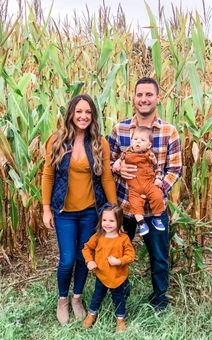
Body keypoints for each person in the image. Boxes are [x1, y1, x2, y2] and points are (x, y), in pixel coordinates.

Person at [41, 94, 117, 325]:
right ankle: (62, 299)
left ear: (93, 116)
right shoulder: (56, 140)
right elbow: (48, 175)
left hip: (90, 212)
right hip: (64, 212)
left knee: (84, 258)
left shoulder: (99, 142)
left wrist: (114, 209)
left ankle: (77, 298)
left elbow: (106, 178)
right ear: (71, 114)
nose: (83, 116)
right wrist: (46, 209)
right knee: (66, 260)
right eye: (79, 112)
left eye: (88, 112)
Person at [109, 77, 182, 311]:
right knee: (119, 251)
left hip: (155, 207)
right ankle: (120, 294)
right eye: (139, 95)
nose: (144, 99)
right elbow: (107, 162)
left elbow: (175, 168)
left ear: (158, 98)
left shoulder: (169, 132)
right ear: (134, 98)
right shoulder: (119, 129)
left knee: (159, 257)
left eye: (149, 94)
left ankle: (159, 300)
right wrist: (116, 167)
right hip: (124, 205)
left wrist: (157, 189)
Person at [82, 204, 135, 332]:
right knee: (97, 296)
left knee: (118, 298)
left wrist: (119, 261)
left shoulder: (123, 238)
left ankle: (121, 319)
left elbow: (131, 255)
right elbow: (87, 247)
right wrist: (89, 261)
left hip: (117, 276)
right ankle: (92, 314)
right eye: (104, 220)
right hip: (101, 274)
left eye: (112, 220)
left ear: (119, 221)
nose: (107, 224)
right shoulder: (98, 236)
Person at [112, 126, 165, 236]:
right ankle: (141, 223)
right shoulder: (127, 152)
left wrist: (159, 178)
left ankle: (157, 218)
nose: (138, 142)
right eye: (135, 139)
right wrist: (117, 164)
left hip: (148, 184)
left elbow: (156, 167)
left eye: (142, 140)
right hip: (134, 187)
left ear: (149, 145)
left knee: (157, 196)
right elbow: (120, 158)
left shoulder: (150, 155)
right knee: (135, 204)